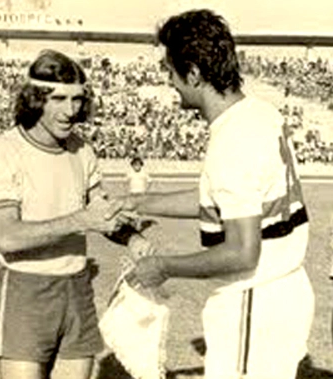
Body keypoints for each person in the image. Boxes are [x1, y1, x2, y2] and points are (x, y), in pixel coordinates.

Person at [122, 10, 315, 379]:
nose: (169, 81)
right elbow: (226, 202)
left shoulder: (233, 141)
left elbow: (242, 252)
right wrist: (138, 202)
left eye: (170, 70)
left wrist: (163, 266)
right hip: (281, 292)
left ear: (193, 72)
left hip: (254, 297)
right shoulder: (260, 113)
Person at [0, 49, 151, 379]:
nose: (71, 111)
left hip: (76, 287)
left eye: (77, 100)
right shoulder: (4, 150)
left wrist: (133, 238)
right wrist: (81, 219)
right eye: (59, 99)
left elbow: (101, 213)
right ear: (35, 99)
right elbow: (7, 236)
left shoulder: (82, 149)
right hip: (25, 289)